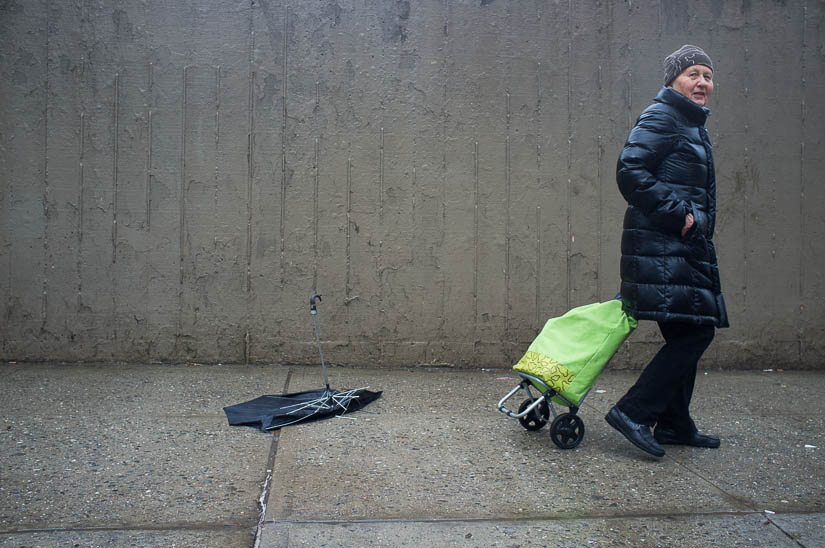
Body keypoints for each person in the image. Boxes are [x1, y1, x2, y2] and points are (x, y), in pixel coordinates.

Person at [605, 45, 729, 458]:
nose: (702, 83)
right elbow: (630, 170)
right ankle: (633, 411)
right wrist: (682, 215)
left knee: (688, 326)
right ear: (673, 79)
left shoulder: (690, 124)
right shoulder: (664, 116)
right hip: (665, 244)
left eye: (707, 76)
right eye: (693, 73)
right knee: (696, 331)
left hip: (679, 246)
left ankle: (674, 423)